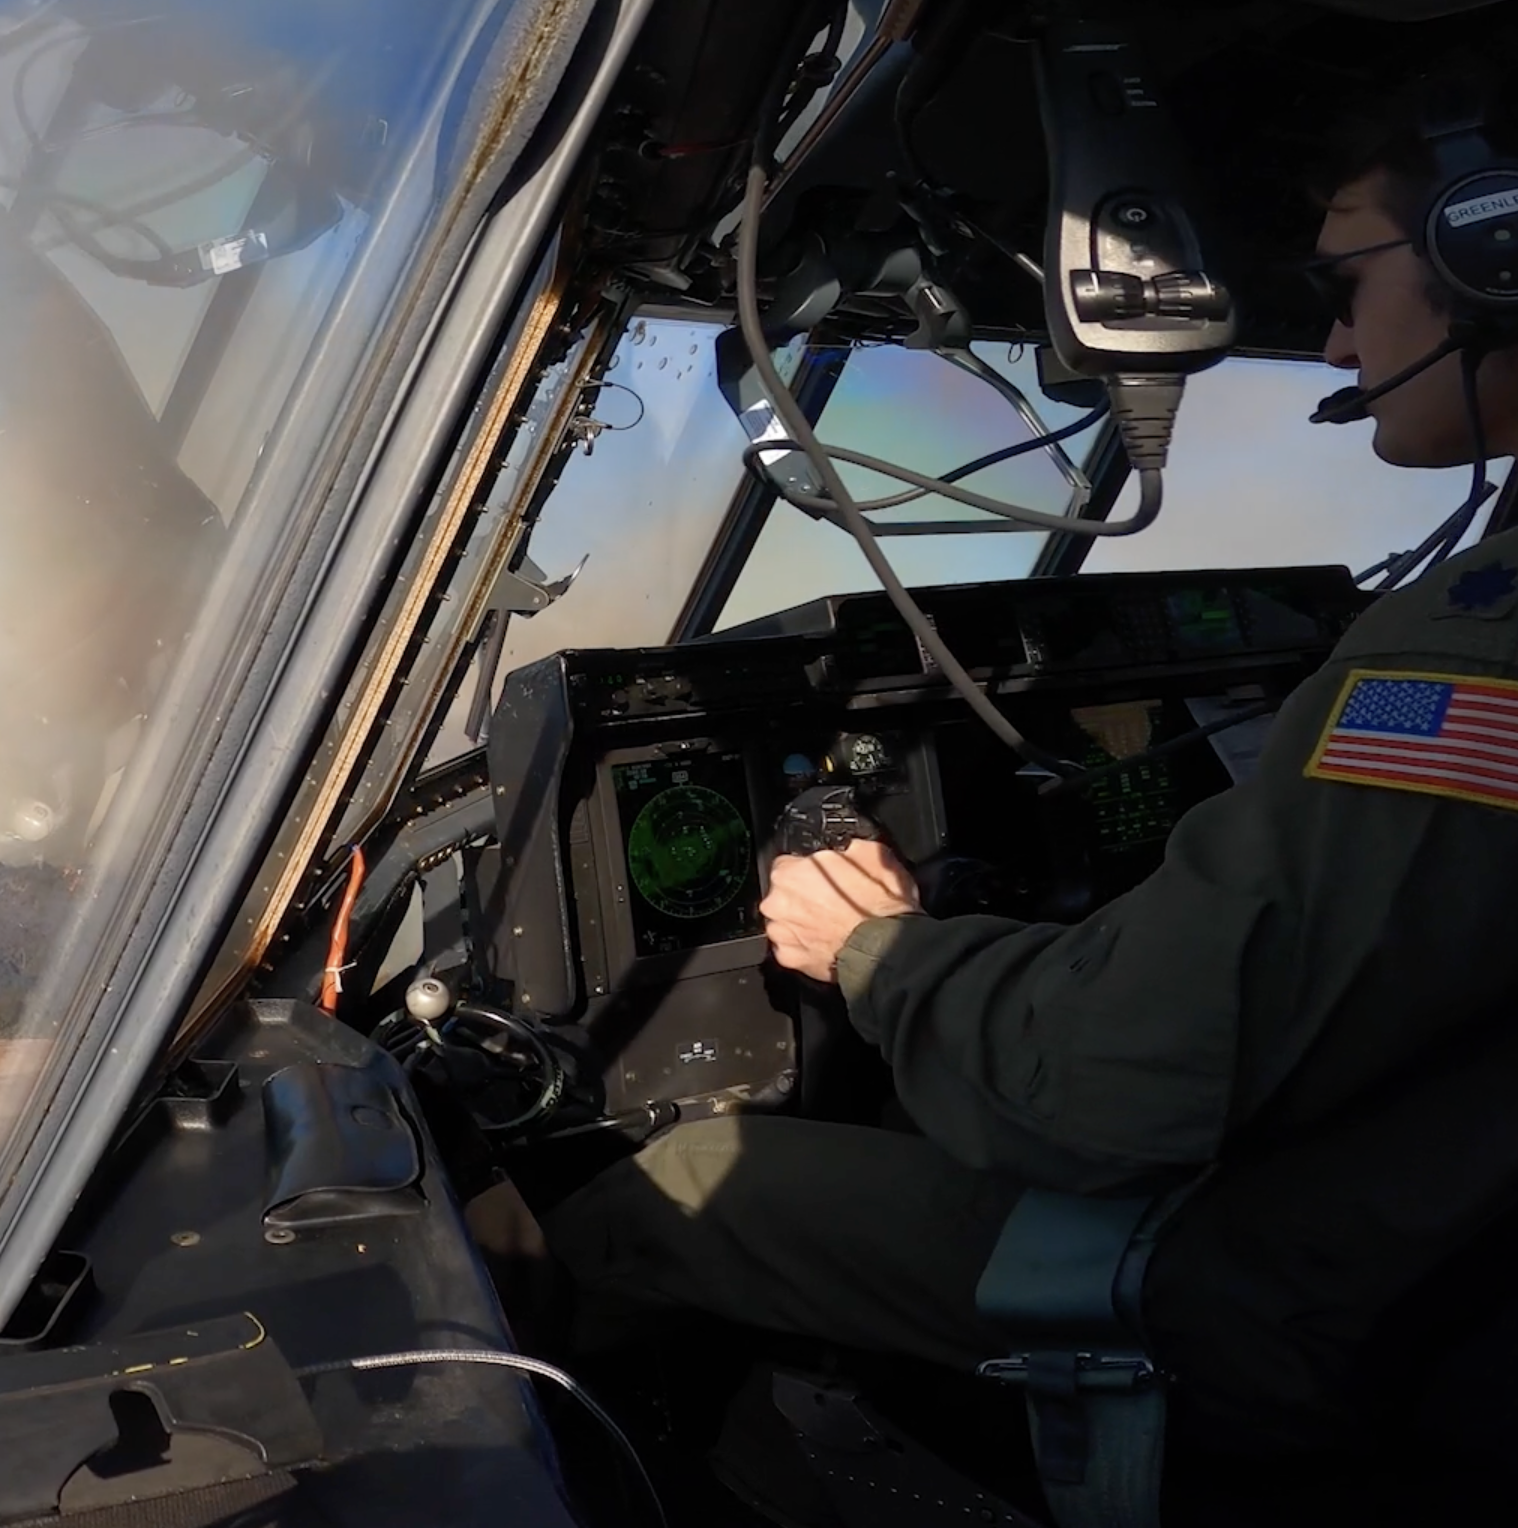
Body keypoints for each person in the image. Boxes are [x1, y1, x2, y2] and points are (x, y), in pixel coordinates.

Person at [544, 71, 1518, 1458]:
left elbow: (1115, 1090)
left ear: (1495, 252)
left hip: (1302, 1299)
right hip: (1441, 1250)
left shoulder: (1475, 640)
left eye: (1345, 279)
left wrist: (877, 949)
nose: (1335, 338)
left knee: (677, 1183)